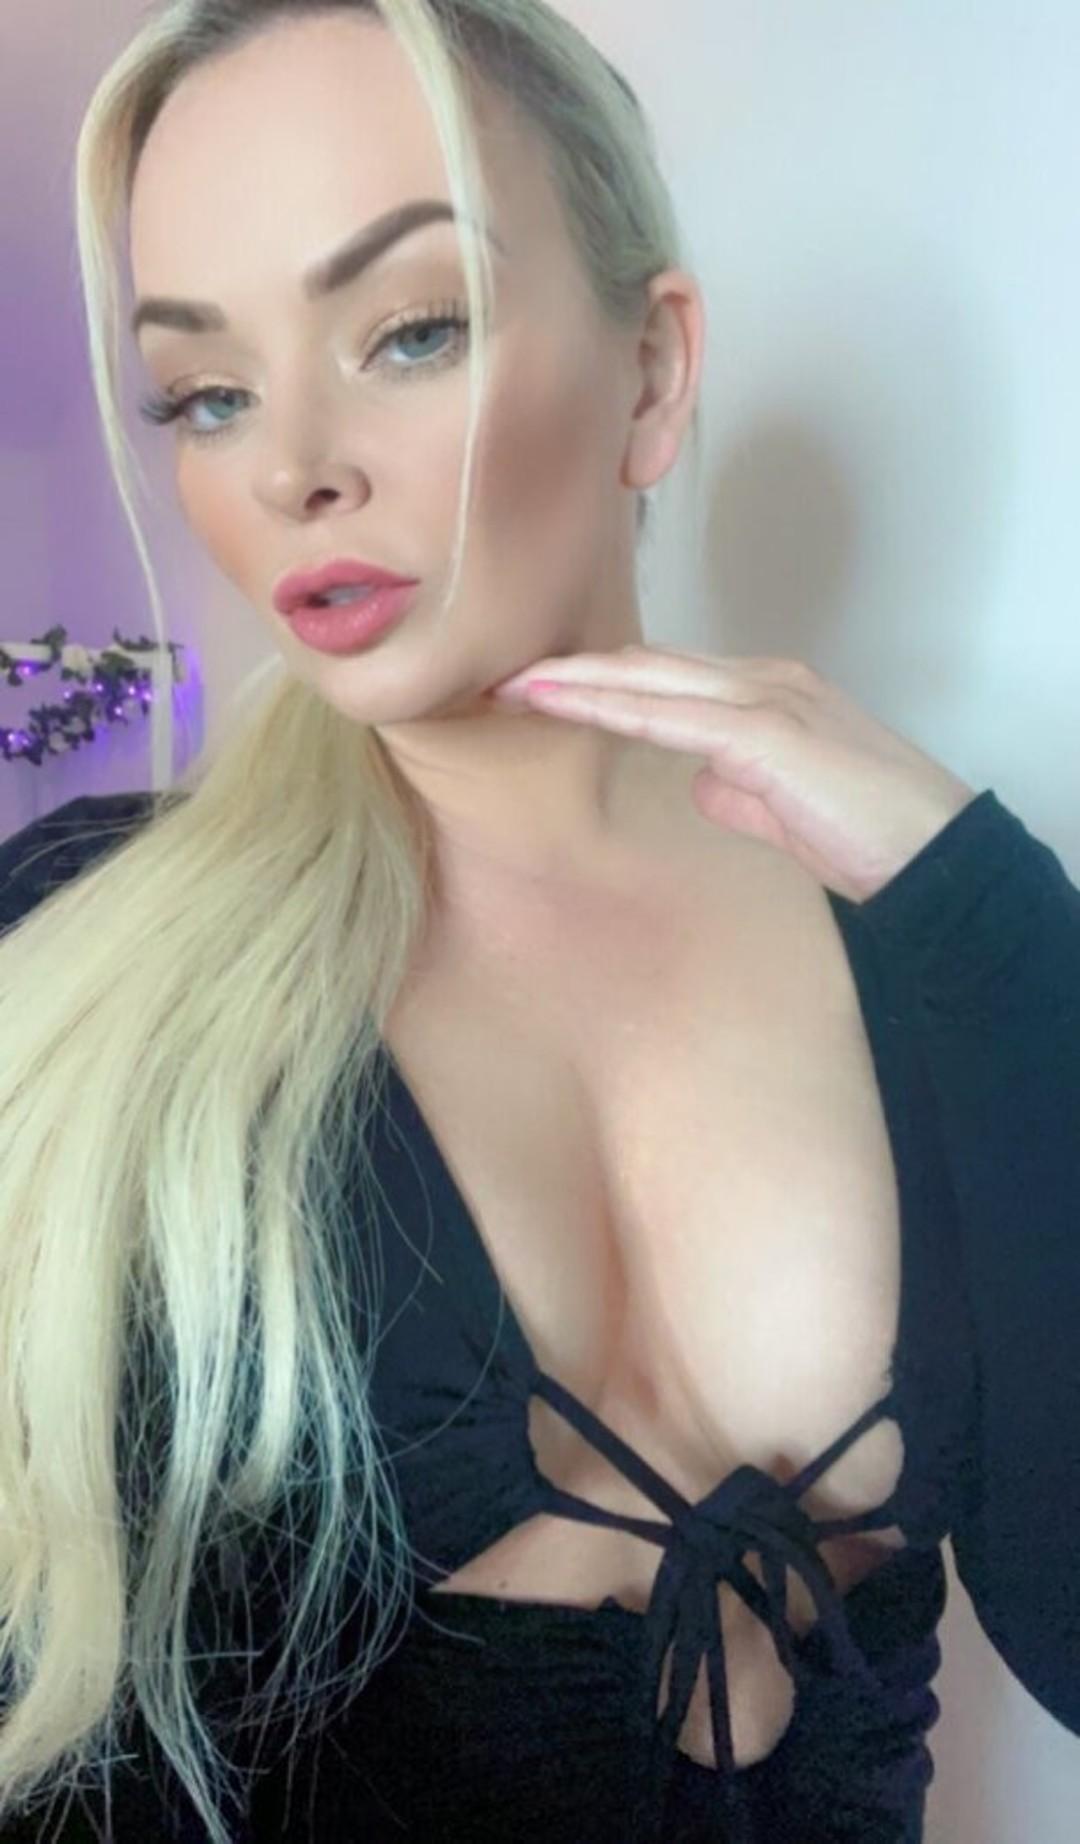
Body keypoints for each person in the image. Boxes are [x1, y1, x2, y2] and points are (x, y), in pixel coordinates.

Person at [0, 3, 1077, 1840]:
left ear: (651, 373)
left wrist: (1002, 928)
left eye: (409, 329)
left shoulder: (936, 947)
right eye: (208, 392)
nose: (290, 468)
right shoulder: (89, 964)